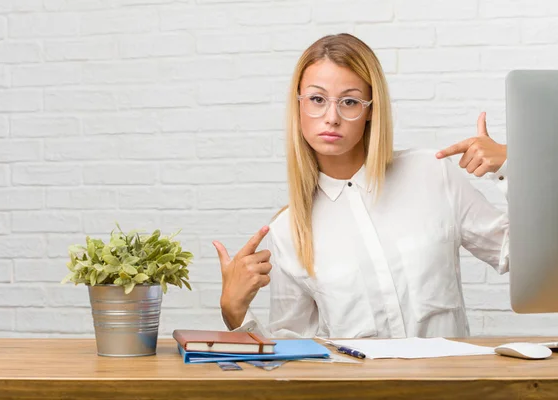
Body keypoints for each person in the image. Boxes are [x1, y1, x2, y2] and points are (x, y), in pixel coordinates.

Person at [213, 33, 509, 339]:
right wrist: (234, 311)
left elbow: (519, 254)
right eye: (317, 99)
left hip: (450, 385)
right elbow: (292, 354)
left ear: (370, 110)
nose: (331, 117)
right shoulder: (288, 231)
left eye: (350, 102)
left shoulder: (431, 174)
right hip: (358, 388)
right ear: (298, 104)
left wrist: (512, 167)